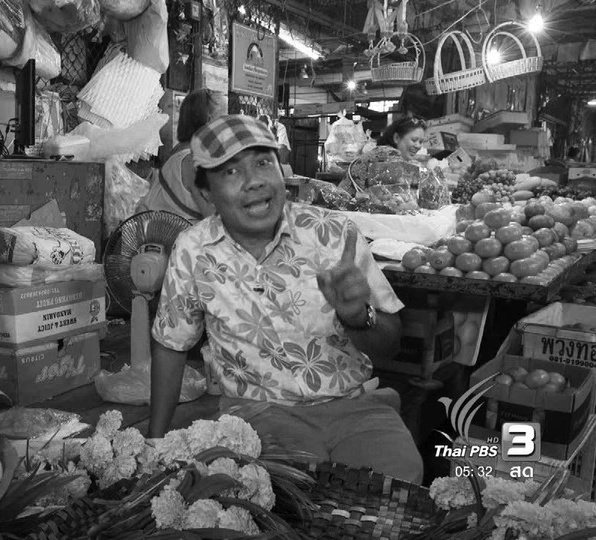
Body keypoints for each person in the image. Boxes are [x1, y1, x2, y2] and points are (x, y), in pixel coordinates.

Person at [147, 115, 423, 483]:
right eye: (231, 172)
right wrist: (154, 441)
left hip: (353, 407)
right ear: (207, 194)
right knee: (288, 492)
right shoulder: (194, 249)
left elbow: (391, 342)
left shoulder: (334, 234)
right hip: (255, 415)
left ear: (281, 171)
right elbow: (171, 343)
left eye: (263, 162)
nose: (254, 182)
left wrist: (359, 316)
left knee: (400, 479)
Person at [136, 88, 227, 220]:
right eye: (224, 117)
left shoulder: (179, 152)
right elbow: (215, 217)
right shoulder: (193, 162)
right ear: (209, 121)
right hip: (180, 238)